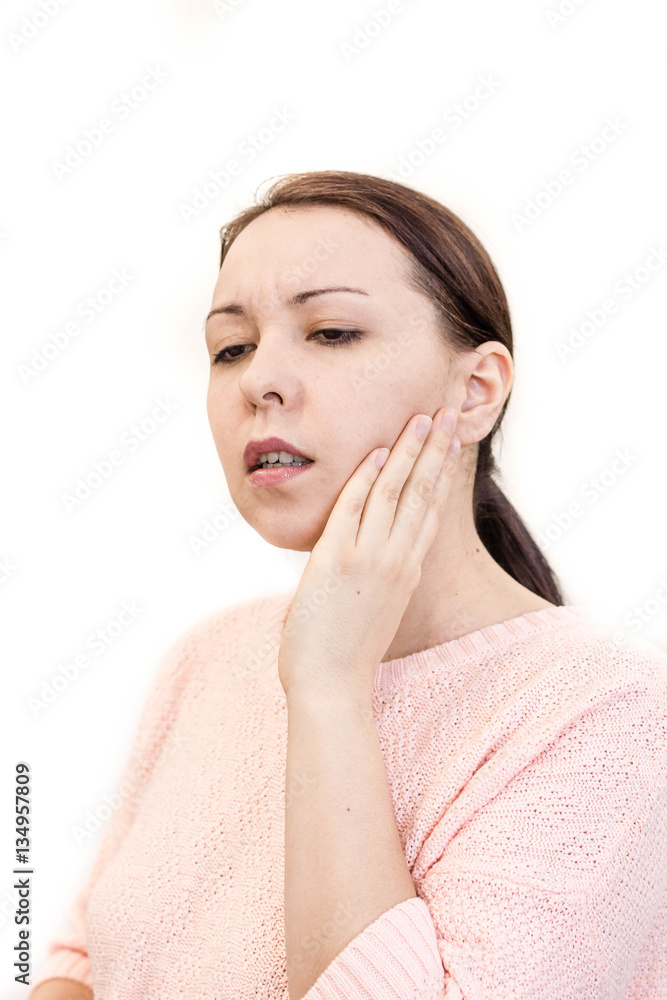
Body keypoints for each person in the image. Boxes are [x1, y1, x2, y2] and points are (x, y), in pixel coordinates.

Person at [30, 170, 667, 1000]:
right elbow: (83, 966)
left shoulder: (606, 719)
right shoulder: (209, 658)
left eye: (330, 332)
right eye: (231, 347)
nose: (261, 380)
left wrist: (329, 684)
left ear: (475, 390)